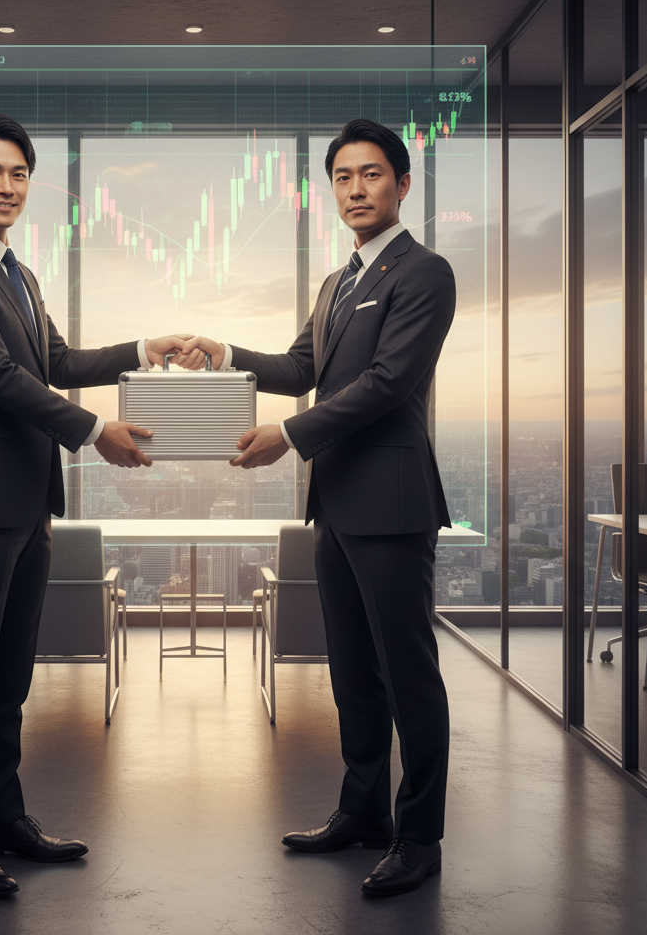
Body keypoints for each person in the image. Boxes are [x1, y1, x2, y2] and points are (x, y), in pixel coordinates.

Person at [0, 112, 192, 897]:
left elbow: (56, 360)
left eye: (18, 175)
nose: (6, 187)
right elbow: (0, 377)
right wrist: (93, 428)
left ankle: (4, 817)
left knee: (8, 679)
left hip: (27, 500)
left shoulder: (19, 274)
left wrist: (146, 349)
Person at [182, 118, 456, 896]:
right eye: (342, 177)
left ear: (402, 185)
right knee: (354, 676)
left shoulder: (424, 273)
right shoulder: (340, 283)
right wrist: (225, 353)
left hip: (393, 505)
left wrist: (290, 435)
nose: (356, 189)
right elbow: (305, 365)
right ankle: (362, 811)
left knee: (410, 677)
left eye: (371, 175)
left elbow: (388, 384)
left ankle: (420, 836)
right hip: (335, 505)